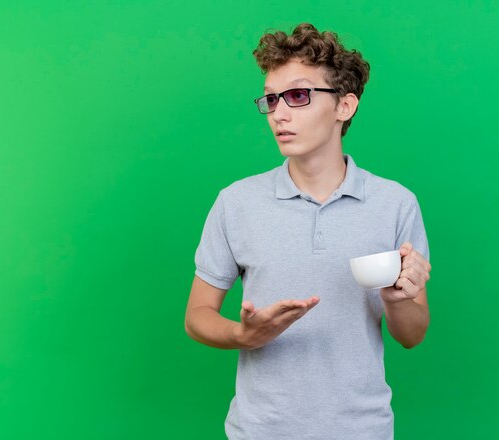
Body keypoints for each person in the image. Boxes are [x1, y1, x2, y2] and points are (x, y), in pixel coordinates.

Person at [184, 23, 432, 440]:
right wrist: (244, 335)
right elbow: (196, 316)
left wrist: (399, 298)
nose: (279, 113)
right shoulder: (236, 202)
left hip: (363, 430)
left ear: (344, 106)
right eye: (271, 99)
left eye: (298, 96)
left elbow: (412, 335)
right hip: (259, 431)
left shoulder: (395, 204)